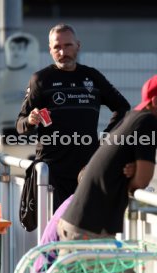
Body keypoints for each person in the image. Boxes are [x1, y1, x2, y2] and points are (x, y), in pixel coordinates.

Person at [16, 23, 130, 211]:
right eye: (57, 47)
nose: (63, 52)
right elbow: (19, 124)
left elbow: (123, 107)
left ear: (78, 45)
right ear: (50, 50)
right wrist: (30, 120)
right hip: (52, 172)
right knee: (55, 231)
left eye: (68, 45)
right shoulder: (41, 79)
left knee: (85, 231)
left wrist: (106, 138)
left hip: (86, 169)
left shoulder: (92, 76)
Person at [57, 74, 157, 246]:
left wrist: (133, 171)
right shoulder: (147, 122)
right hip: (87, 232)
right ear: (155, 101)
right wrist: (135, 178)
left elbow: (123, 165)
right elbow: (142, 180)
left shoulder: (132, 118)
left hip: (82, 225)